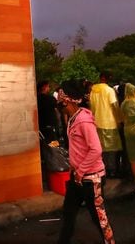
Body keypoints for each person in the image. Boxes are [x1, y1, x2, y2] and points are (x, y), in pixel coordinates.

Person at [56, 79, 115, 244]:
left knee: (99, 217)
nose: (61, 105)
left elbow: (96, 149)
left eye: (63, 102)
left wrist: (81, 171)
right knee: (68, 212)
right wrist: (74, 170)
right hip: (77, 177)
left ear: (68, 100)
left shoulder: (84, 120)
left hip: (92, 179)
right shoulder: (73, 118)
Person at [89, 74, 123, 177]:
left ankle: (102, 169)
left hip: (97, 122)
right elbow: (115, 106)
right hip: (110, 122)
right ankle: (111, 170)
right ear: (108, 79)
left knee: (101, 148)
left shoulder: (93, 91)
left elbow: (91, 106)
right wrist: (119, 119)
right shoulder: (109, 90)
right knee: (112, 149)